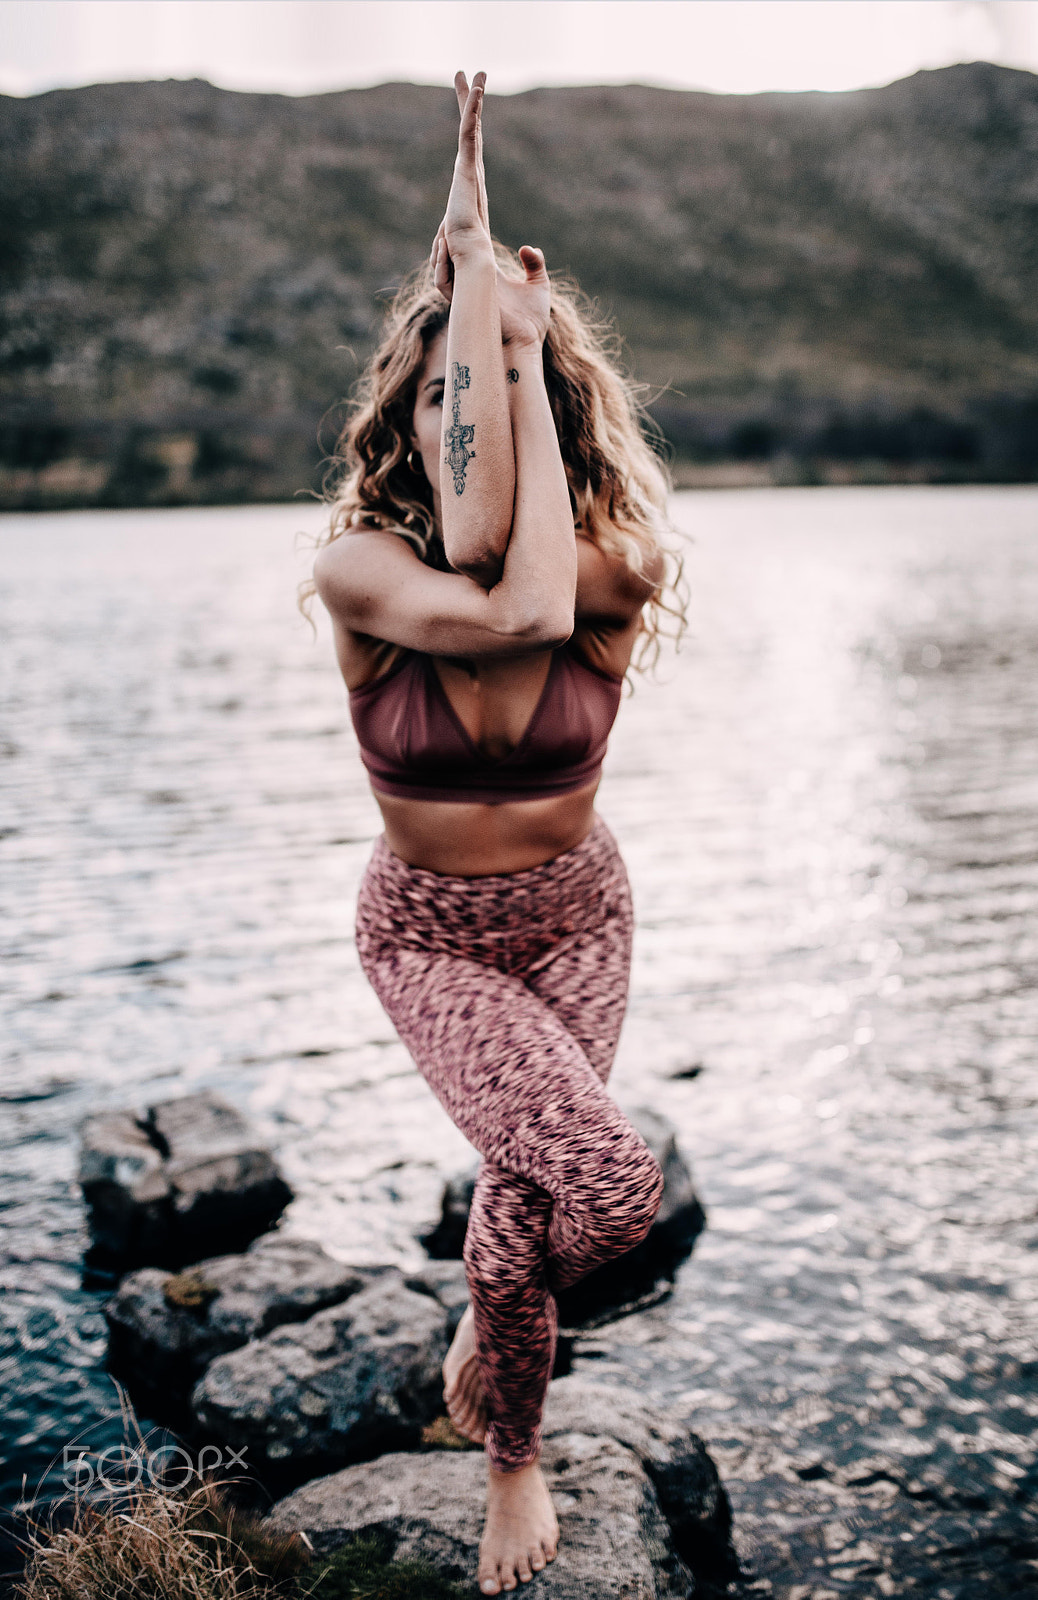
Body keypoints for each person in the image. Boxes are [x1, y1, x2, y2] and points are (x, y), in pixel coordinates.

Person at [302, 69, 685, 1597]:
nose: (466, 422)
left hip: (578, 912)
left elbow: (537, 580)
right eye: (439, 400)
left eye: (503, 394)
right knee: (602, 1189)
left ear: (558, 409)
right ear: (411, 418)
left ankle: (501, 1398)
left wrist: (509, 348)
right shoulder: (356, 572)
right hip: (431, 936)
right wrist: (490, 319)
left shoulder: (619, 561)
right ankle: (508, 1420)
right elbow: (489, 578)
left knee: (536, 1199)